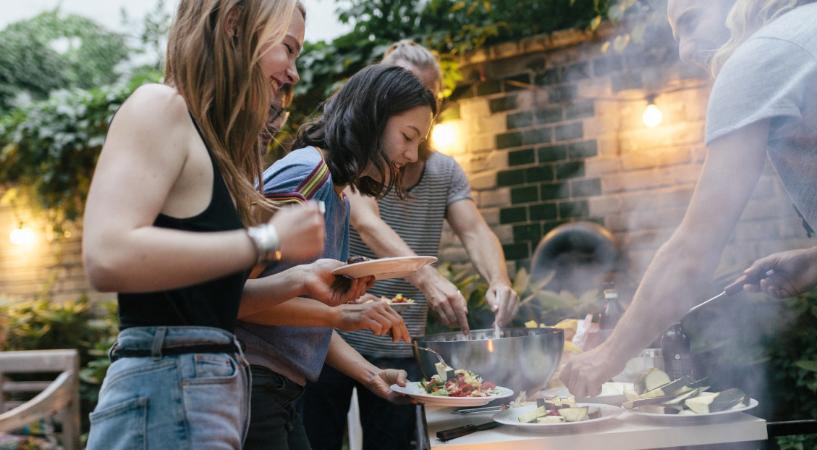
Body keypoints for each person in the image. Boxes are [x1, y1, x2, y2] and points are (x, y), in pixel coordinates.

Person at [80, 1, 358, 448]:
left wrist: (301, 278)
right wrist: (267, 240)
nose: (293, 73)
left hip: (206, 392)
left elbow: (204, 305)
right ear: (233, 25)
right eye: (287, 49)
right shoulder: (159, 106)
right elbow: (106, 255)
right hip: (165, 389)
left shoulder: (210, 148)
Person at [561, 0, 817, 398]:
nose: (684, 50)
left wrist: (607, 356)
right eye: (675, 35)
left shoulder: (759, 57)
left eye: (690, 22)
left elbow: (695, 248)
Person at [302, 40, 520, 450]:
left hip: (399, 345)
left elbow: (474, 230)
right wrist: (425, 276)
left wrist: (499, 280)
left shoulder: (443, 171)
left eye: (428, 95)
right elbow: (366, 219)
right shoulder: (361, 164)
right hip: (333, 338)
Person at [235, 63, 437, 450]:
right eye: (407, 137)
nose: (412, 155)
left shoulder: (338, 194)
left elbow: (295, 313)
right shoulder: (305, 173)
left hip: (282, 391)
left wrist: (370, 373)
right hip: (253, 384)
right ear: (371, 119)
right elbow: (235, 297)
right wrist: (343, 315)